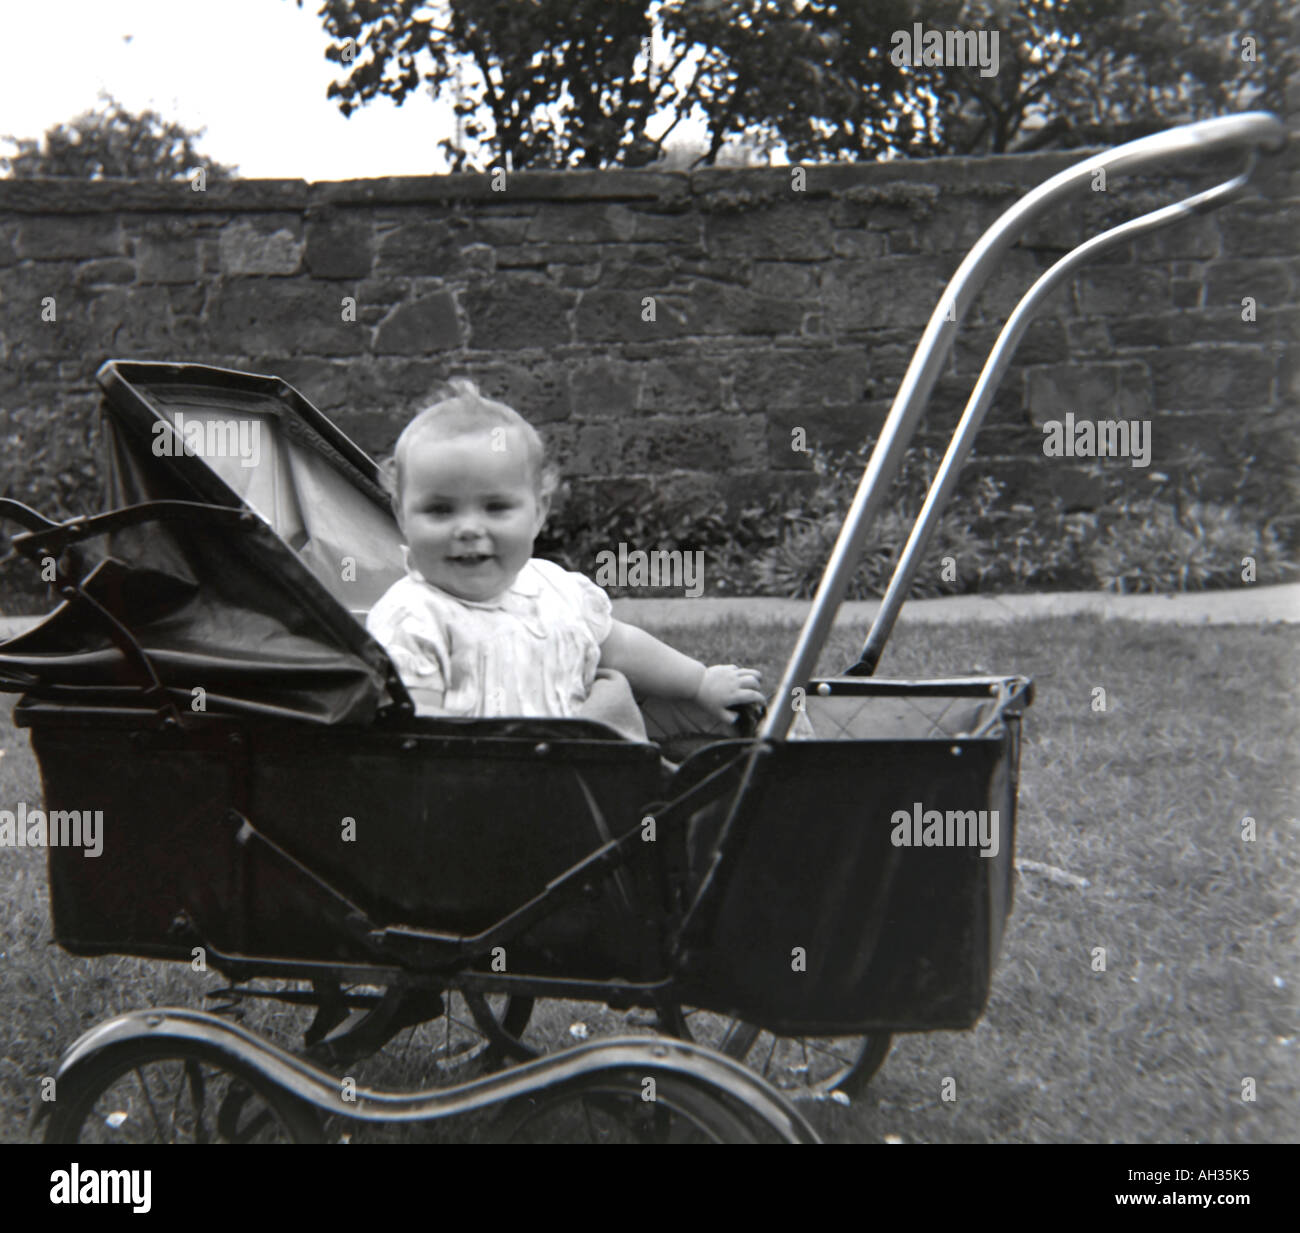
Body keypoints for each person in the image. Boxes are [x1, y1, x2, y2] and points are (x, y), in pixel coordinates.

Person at [366, 378, 765, 742]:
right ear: (401, 516)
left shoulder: (556, 588)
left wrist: (699, 682)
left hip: (579, 773)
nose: (469, 528)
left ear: (538, 512)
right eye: (439, 510)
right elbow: (418, 735)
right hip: (479, 787)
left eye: (496, 507)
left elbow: (621, 646)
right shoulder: (413, 618)